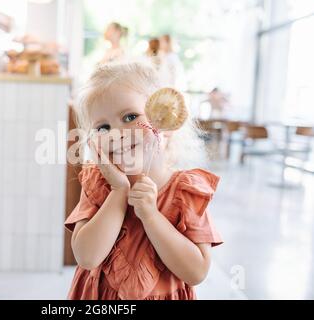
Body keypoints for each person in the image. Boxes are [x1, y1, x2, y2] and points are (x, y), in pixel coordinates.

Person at [65, 60, 222, 300]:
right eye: (103, 127)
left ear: (166, 124)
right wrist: (119, 191)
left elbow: (196, 271)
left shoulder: (186, 191)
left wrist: (150, 215)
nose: (117, 133)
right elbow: (87, 257)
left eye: (129, 117)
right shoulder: (98, 183)